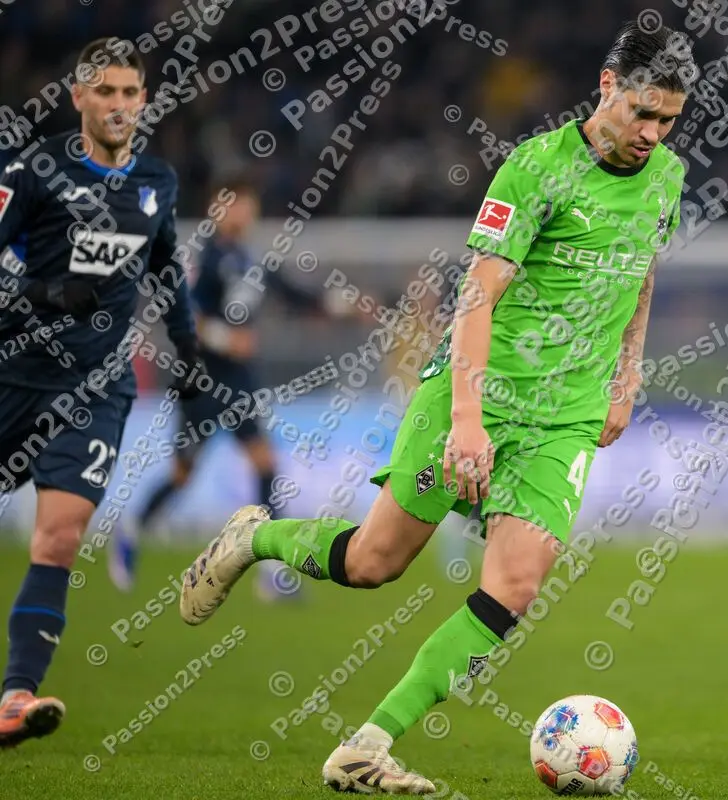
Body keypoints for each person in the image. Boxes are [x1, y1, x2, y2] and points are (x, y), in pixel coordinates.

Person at [178, 20, 692, 794]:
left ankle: (367, 746)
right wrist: (467, 421)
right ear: (607, 87)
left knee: (516, 586)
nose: (652, 133)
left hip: (567, 416)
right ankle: (255, 537)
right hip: (480, 394)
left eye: (668, 120)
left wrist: (627, 373)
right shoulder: (536, 169)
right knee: (373, 562)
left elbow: (640, 271)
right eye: (643, 112)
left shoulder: (667, 178)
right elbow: (477, 296)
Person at [0, 37, 205, 746]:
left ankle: (15, 697)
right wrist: (46, 292)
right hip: (13, 372)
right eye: (106, 92)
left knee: (59, 537)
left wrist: (187, 348)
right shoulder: (33, 171)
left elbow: (165, 266)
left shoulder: (157, 181)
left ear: (144, 100)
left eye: (130, 93)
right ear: (78, 97)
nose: (119, 105)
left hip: (93, 387)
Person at [107, 179, 329, 601]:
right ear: (217, 208)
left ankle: (272, 572)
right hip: (201, 380)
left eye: (249, 205)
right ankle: (132, 528)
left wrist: (334, 304)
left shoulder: (249, 258)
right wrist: (227, 339)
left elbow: (291, 293)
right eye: (236, 204)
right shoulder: (200, 256)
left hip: (238, 381)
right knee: (183, 475)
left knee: (265, 464)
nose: (244, 213)